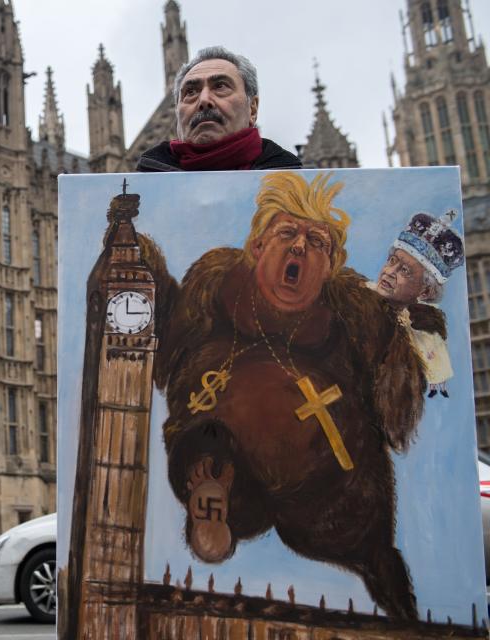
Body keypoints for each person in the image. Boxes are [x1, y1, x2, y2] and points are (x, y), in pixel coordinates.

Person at [150, 171, 426, 620]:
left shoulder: (354, 310)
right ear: (258, 246)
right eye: (287, 233)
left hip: (329, 472)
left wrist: (408, 324)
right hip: (221, 428)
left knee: (360, 533)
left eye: (317, 242)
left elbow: (401, 404)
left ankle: (391, 585)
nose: (300, 247)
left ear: (332, 264)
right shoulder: (217, 282)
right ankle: (213, 486)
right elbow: (171, 351)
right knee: (212, 440)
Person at [136, 46, 301, 172]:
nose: (204, 100)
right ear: (177, 113)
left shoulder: (299, 188)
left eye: (220, 86)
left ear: (252, 109)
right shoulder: (136, 191)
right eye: (191, 92)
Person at [372, 211, 464, 398]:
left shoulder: (423, 336)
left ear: (425, 291)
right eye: (392, 261)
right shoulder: (355, 294)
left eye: (404, 270)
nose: (389, 272)